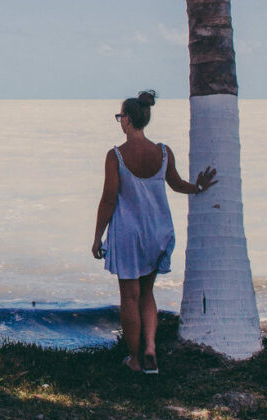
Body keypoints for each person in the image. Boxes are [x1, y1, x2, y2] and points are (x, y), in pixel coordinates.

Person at [91, 90, 217, 374]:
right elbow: (176, 183)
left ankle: (135, 359)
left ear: (127, 120)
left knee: (130, 296)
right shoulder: (162, 152)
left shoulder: (116, 156)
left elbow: (109, 199)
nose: (119, 121)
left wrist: (98, 236)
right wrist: (198, 188)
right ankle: (150, 347)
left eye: (120, 116)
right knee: (147, 293)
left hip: (128, 234)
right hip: (158, 232)